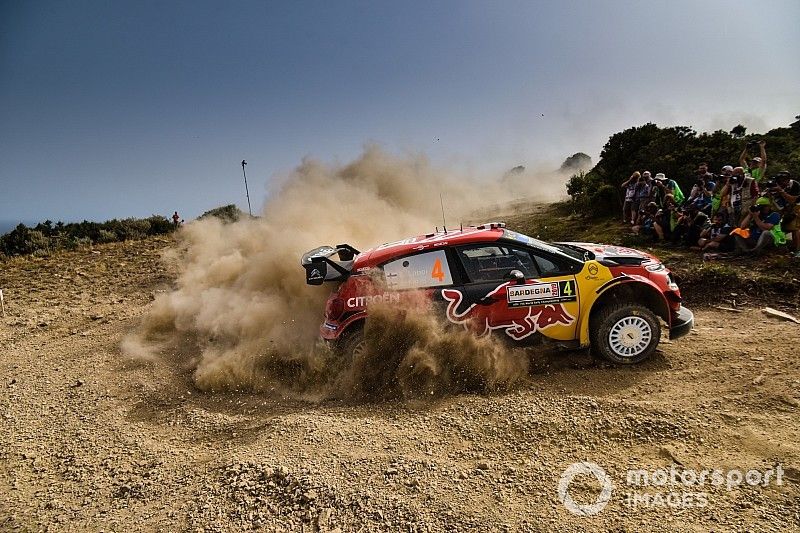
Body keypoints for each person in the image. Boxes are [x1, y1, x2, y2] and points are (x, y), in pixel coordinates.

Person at [768, 171, 800, 253]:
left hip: (795, 207)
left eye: (784, 180)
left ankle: (797, 250)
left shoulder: (794, 185)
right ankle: (779, 246)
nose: (782, 182)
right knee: (776, 227)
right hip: (780, 209)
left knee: (794, 228)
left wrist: (781, 191)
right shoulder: (775, 184)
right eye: (780, 180)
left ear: (788, 180)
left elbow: (793, 200)